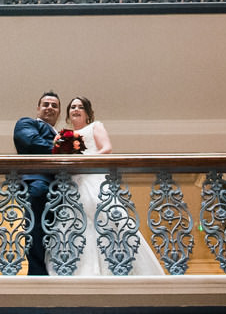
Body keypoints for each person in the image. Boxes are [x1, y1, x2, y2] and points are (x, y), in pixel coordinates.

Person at [47, 96, 165, 276]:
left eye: (80, 107)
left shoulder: (95, 126)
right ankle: (80, 270)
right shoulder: (63, 135)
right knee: (74, 222)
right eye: (72, 107)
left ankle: (117, 266)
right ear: (69, 114)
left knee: (106, 216)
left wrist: (82, 160)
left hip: (93, 178)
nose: (76, 109)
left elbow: (106, 148)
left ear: (87, 113)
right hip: (73, 182)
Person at [13, 91, 61, 275]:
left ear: (58, 112)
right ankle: (37, 273)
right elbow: (30, 142)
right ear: (38, 108)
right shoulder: (27, 123)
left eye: (54, 106)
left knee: (57, 232)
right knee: (37, 228)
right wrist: (62, 150)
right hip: (38, 183)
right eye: (46, 104)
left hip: (63, 189)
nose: (49, 108)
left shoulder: (61, 133)